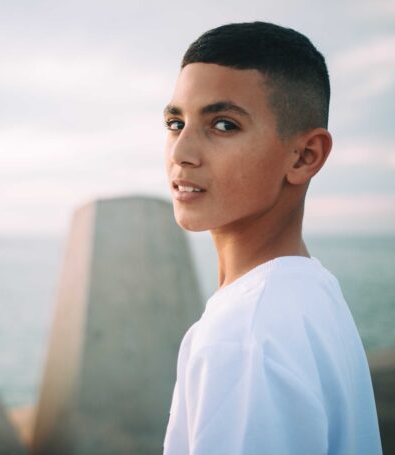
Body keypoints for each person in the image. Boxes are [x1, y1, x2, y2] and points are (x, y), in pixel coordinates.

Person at [161, 22, 382, 454]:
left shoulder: (244, 337)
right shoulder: (313, 292)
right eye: (175, 122)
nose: (181, 153)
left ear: (304, 156)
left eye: (223, 124)